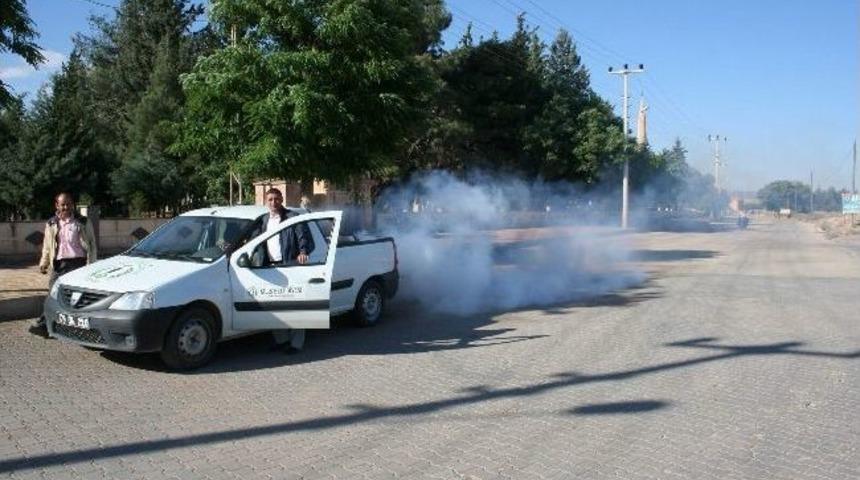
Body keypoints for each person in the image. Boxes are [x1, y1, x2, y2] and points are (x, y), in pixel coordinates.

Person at [33, 192, 98, 334]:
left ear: (73, 205)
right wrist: (43, 262)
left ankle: (83, 327)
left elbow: (92, 244)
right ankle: (46, 323)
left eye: (68, 204)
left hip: (78, 264)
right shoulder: (51, 223)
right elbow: (47, 245)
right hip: (59, 264)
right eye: (63, 204)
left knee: (79, 297)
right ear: (57, 205)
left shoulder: (83, 221)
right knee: (53, 293)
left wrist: (91, 264)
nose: (66, 207)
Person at [260, 187, 314, 352]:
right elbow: (255, 239)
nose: (273, 202)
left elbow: (303, 237)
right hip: (270, 267)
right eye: (270, 199)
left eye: (276, 199)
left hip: (289, 265)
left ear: (282, 199)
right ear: (266, 201)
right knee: (276, 307)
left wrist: (303, 252)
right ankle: (281, 340)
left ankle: (296, 344)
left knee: (294, 306)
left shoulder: (292, 217)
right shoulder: (263, 220)